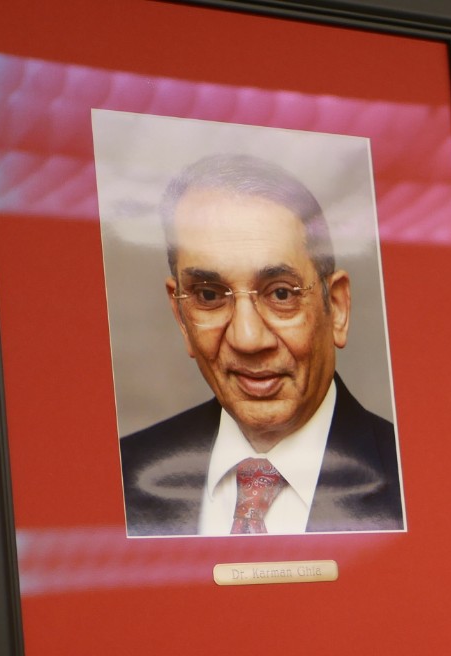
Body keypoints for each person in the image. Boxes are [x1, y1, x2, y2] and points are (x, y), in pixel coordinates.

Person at [119, 154, 404, 536]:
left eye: (281, 293)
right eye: (208, 295)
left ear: (335, 307)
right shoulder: (121, 476)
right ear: (181, 317)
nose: (247, 339)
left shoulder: (418, 482)